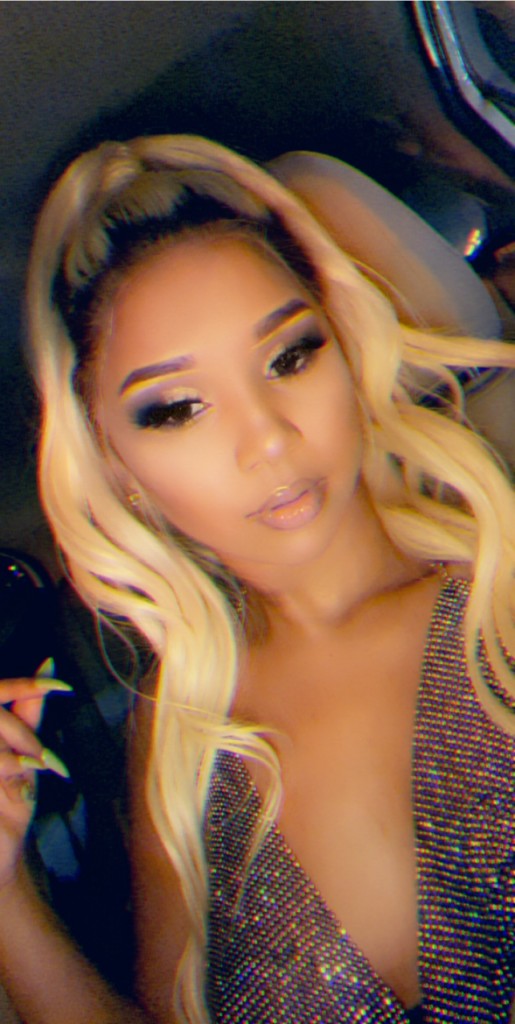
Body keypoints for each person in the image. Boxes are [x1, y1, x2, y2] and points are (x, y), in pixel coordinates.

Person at [0, 134, 514, 1024]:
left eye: (289, 357)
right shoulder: (184, 745)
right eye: (178, 408)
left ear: (346, 347)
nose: (267, 439)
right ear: (116, 464)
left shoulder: (499, 596)